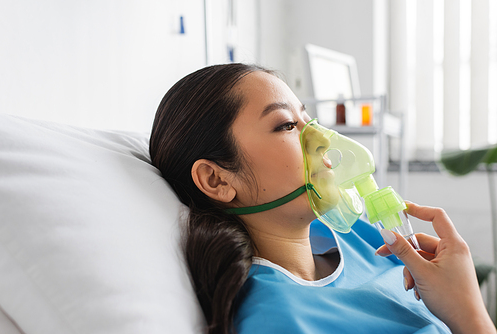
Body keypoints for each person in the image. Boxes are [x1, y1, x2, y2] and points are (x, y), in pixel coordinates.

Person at [149, 63, 495, 334]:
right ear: (217, 179)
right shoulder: (277, 319)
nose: (323, 140)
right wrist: (471, 316)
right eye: (286, 125)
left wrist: (464, 307)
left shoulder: (359, 236)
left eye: (309, 120)